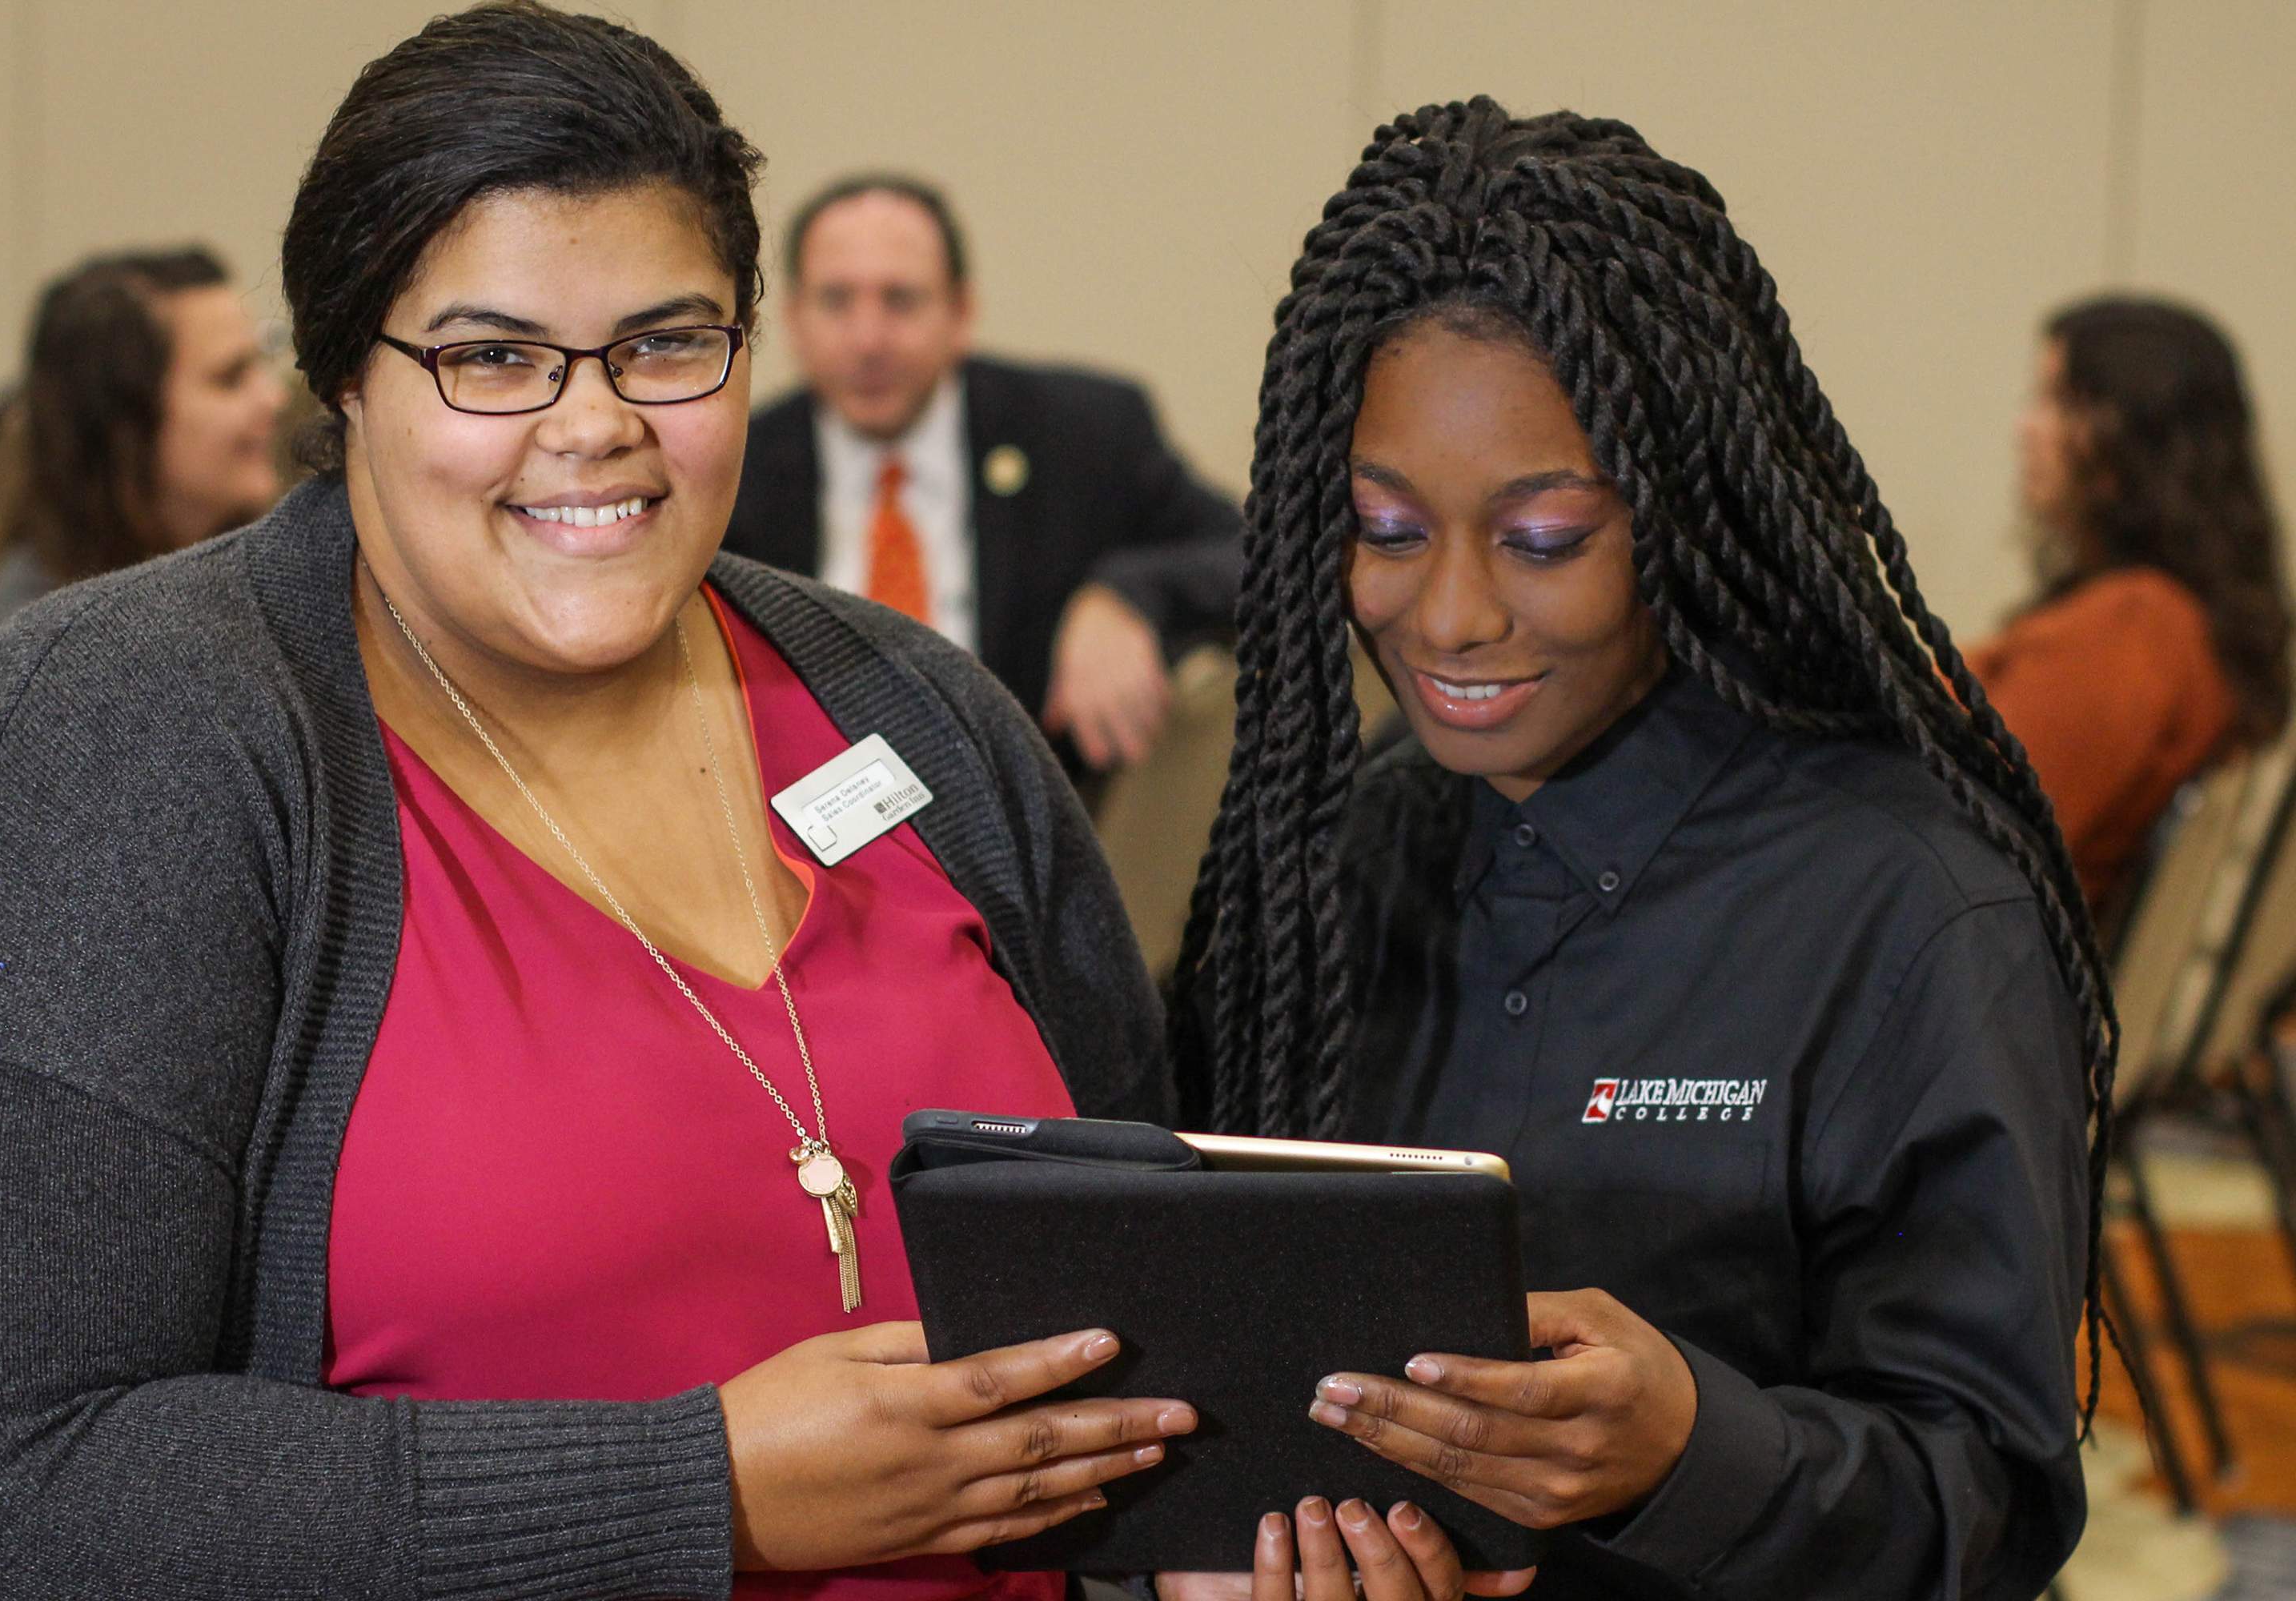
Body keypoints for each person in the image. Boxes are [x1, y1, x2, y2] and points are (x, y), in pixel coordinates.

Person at [0, 9, 1492, 1597]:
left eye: (668, 343)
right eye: (492, 356)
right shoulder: (119, 733)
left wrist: (1193, 1560)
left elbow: (1144, 1324)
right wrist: (699, 1489)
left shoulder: (918, 713)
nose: (594, 425)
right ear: (343, 378)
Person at [1167, 99, 2105, 1600]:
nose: (1454, 616)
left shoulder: (1912, 910)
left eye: (1544, 539)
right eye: (1386, 530)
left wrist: (1692, 1453)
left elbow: (1986, 1505)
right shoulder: (1312, 880)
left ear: (1682, 513)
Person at [723, 175, 1244, 773]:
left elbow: (1250, 554)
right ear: (792, 320)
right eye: (837, 301)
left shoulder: (1082, 433)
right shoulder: (734, 468)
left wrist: (1126, 596)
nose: (868, 340)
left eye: (901, 300)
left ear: (961, 313)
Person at [1969, 295, 2292, 915]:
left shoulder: (2138, 624)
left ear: (2139, 436)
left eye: (2061, 402)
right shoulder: (2165, 619)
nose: (2026, 428)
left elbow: (1957, 834)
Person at [0, 246, 286, 721]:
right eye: (230, 378)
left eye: (260, 363)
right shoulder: (31, 677)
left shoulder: (240, 595)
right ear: (122, 431)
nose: (275, 398)